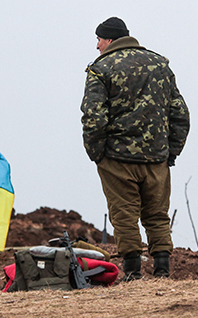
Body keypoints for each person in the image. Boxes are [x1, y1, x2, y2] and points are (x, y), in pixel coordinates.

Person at [80, 17, 190, 281]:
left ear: (109, 40)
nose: (96, 46)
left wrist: (98, 154)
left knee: (124, 214)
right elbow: (180, 113)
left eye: (98, 40)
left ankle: (133, 273)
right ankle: (162, 270)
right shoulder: (159, 64)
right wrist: (169, 152)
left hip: (117, 158)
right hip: (156, 158)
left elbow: (93, 117)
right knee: (157, 215)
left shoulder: (100, 69)